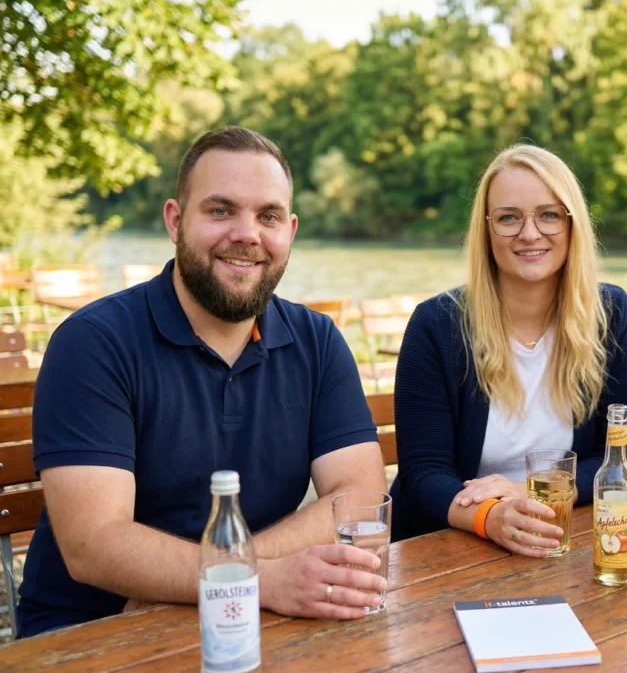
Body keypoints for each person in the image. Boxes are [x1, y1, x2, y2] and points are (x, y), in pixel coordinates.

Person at [17, 127, 389, 637]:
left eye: (268, 216)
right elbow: (93, 545)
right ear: (175, 220)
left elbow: (359, 493)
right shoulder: (93, 342)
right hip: (94, 631)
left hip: (254, 614)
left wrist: (242, 577)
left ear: (291, 231)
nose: (246, 234)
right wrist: (258, 579)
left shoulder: (318, 340)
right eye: (220, 210)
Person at [389, 144, 627, 549]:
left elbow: (620, 460)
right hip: (449, 543)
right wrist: (491, 516)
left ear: (572, 224)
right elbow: (424, 476)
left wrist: (525, 491)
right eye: (509, 218)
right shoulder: (437, 324)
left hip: (563, 537)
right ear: (487, 229)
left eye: (548, 215)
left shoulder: (611, 314)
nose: (529, 233)